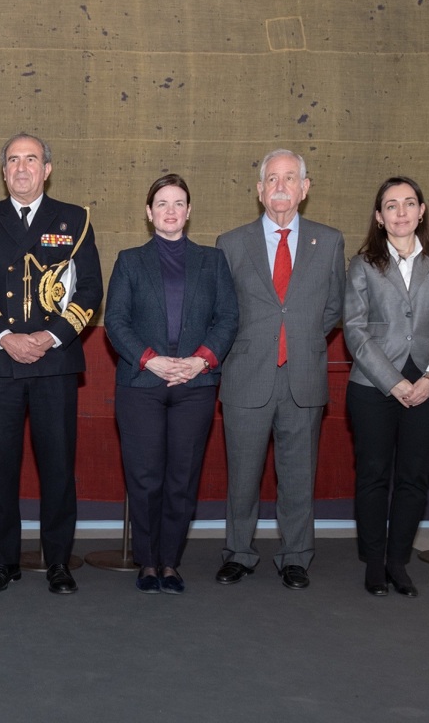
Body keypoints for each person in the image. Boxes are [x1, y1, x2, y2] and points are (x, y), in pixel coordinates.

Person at [0, 133, 103, 594]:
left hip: (54, 362)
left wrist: (48, 336)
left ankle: (58, 562)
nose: (22, 168)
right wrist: (6, 337)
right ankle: (3, 562)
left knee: (58, 467)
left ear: (47, 169)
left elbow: (89, 292)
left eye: (32, 159)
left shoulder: (74, 219)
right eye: (14, 161)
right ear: (3, 172)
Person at [215, 149, 345, 590]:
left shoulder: (329, 241)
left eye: (291, 178)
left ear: (305, 189)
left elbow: (333, 308)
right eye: (272, 179)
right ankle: (238, 553)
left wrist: (301, 338)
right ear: (259, 190)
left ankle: (295, 556)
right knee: (242, 476)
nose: (281, 187)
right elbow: (223, 311)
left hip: (302, 375)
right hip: (246, 376)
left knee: (298, 475)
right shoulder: (231, 244)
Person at [105, 174, 238, 594]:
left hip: (196, 385)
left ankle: (170, 562)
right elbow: (116, 321)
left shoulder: (213, 261)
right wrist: (152, 360)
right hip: (141, 384)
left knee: (182, 477)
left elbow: (228, 318)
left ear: (189, 211)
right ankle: (147, 562)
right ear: (149, 213)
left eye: (179, 202)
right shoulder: (129, 260)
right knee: (145, 478)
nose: (170, 210)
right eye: (162, 203)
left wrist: (201, 361)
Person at [344, 177, 429, 598]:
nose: (401, 212)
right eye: (391, 206)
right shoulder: (362, 265)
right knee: (373, 475)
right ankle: (374, 565)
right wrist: (393, 382)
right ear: (379, 217)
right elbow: (354, 330)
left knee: (414, 477)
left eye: (409, 204)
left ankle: (397, 563)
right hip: (373, 387)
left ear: (421, 211)